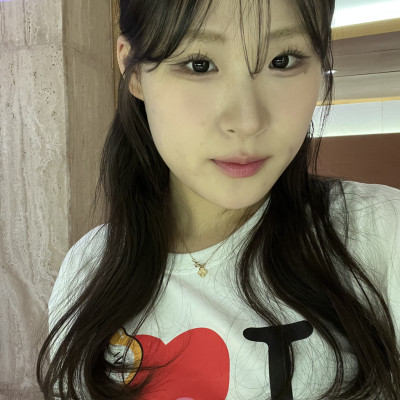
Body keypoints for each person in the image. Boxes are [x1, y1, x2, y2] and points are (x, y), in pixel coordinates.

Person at [36, 0, 400, 399]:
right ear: (134, 69)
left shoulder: (379, 232)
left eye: (282, 60)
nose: (247, 122)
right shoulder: (89, 268)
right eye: (199, 64)